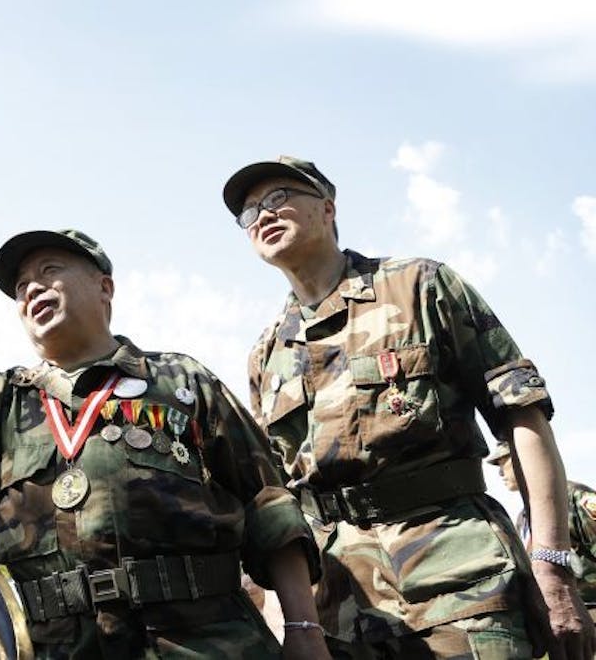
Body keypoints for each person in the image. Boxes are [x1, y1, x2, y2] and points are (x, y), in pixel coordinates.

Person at [223, 155, 596, 659]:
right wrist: (293, 621)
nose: (262, 215)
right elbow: (279, 502)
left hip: (462, 582)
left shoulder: (421, 286)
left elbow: (522, 415)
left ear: (328, 208)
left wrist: (551, 562)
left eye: (278, 197)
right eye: (248, 212)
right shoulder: (267, 353)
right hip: (345, 610)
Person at [0, 228, 328, 658]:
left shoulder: (182, 380)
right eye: (20, 287)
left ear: (104, 286)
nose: (32, 287)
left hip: (203, 643)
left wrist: (304, 630)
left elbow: (269, 505)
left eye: (49, 270)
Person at [490, 441, 596, 619]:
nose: (500, 473)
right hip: (567, 618)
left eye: (503, 463)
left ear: (525, 457)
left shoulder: (573, 497)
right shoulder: (523, 517)